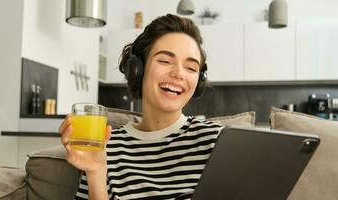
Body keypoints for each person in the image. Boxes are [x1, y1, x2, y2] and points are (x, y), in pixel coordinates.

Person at [60, 14, 223, 200]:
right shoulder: (104, 145)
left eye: (191, 68)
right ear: (137, 69)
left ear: (199, 81)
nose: (179, 74)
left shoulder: (218, 142)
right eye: (165, 61)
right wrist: (96, 173)